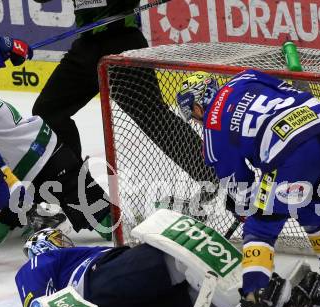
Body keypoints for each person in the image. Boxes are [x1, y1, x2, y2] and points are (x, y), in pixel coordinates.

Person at [176, 70, 320, 307]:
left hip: (293, 153)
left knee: (259, 226)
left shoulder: (212, 129)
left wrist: (245, 208)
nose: (196, 117)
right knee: (311, 207)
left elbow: (239, 181)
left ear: (199, 105)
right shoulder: (244, 77)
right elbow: (284, 89)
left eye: (194, 112)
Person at [32, 0, 217, 191]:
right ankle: (80, 190)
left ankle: (212, 175)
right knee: (47, 111)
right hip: (86, 47)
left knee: (153, 117)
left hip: (122, 41)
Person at [0, 37, 114, 248]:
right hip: (16, 175)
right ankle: (27, 211)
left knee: (112, 226)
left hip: (46, 156)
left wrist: (0, 54)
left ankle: (26, 209)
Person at [15, 228, 194, 307]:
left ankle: (194, 290)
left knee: (178, 299)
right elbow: (35, 304)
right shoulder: (43, 259)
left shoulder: (72, 257)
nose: (64, 243)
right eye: (57, 240)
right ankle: (189, 264)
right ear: (40, 247)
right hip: (98, 281)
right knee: (160, 259)